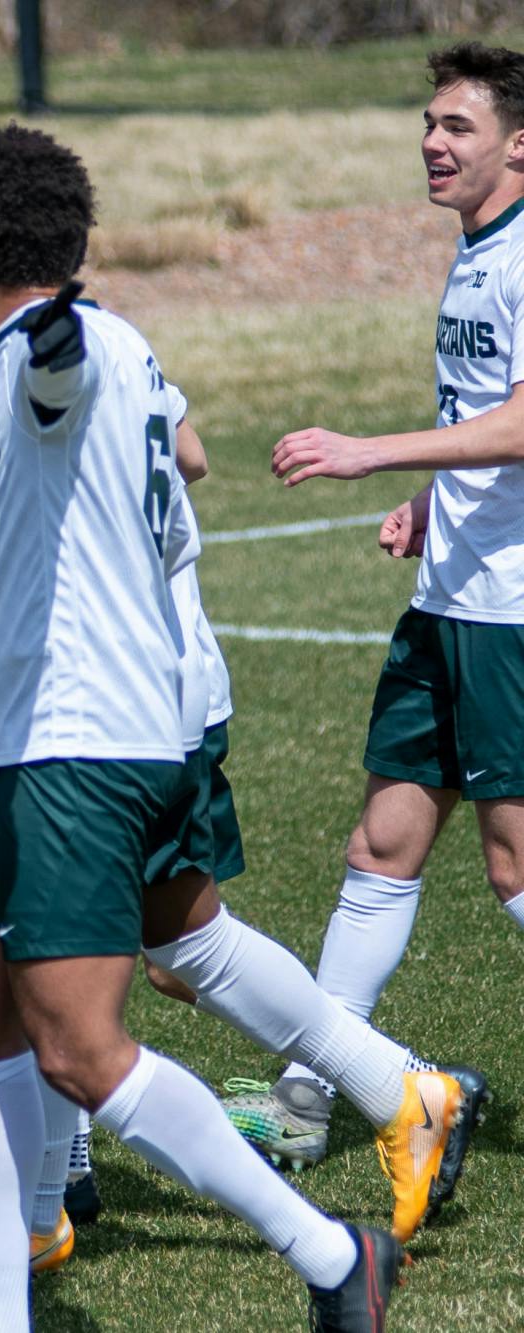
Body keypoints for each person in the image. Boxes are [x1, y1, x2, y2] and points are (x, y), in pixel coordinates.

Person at [0, 162, 477, 1299]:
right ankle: (3, 1299)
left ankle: (328, 1249)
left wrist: (46, 318)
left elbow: (62, 378)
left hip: (79, 744)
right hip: (48, 737)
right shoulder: (91, 344)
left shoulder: (49, 348)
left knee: (77, 1043)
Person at [224, 39, 521, 1172]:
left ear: (517, 144)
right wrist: (427, 497)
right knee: (380, 846)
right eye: (429, 123)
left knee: (512, 867)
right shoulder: (477, 247)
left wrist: (368, 453)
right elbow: (479, 412)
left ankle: (310, 1087)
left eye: (457, 126)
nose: (431, 143)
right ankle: (301, 1096)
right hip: (450, 597)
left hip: (509, 613)